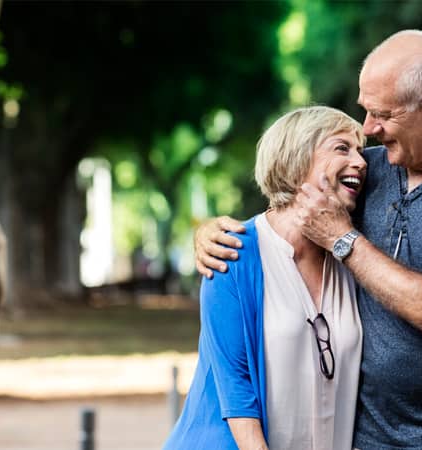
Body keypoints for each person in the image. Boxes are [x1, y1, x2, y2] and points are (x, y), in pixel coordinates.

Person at [195, 29, 422, 448]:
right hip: (373, 438)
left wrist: (343, 237)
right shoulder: (369, 169)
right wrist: (208, 233)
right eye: (366, 112)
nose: (370, 130)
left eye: (383, 115)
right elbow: (292, 204)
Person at [164, 106, 367, 449]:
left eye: (361, 150)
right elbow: (236, 391)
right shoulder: (232, 253)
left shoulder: (354, 256)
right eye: (342, 148)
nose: (361, 161)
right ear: (298, 159)